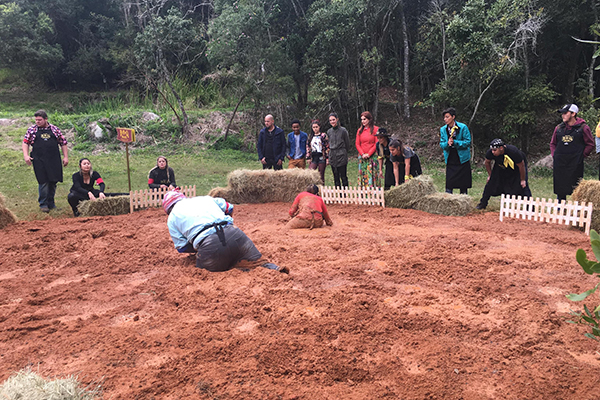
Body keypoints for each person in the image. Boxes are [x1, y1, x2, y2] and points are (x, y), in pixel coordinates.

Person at [163, 190, 289, 273]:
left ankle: (231, 264)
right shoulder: (204, 198)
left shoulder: (172, 218)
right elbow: (229, 207)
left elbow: (182, 248)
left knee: (204, 276)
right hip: (235, 234)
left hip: (209, 245)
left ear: (168, 209)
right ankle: (273, 269)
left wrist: (199, 248)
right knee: (258, 263)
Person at [22, 109, 69, 213]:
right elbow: (25, 142)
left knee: (53, 181)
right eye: (36, 120)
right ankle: (43, 204)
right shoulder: (32, 130)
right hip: (39, 159)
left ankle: (51, 203)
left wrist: (65, 157)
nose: (37, 122)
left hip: (53, 159)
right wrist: (26, 155)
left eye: (39, 120)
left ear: (46, 119)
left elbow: (63, 143)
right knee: (43, 181)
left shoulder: (55, 129)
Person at [550, 104, 594, 201]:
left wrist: (582, 156)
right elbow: (553, 144)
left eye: (565, 113)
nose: (563, 115)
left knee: (577, 187)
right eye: (562, 113)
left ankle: (578, 209)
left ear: (573, 114)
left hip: (575, 163)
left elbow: (590, 144)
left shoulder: (583, 128)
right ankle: (560, 208)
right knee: (560, 186)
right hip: (560, 163)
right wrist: (555, 156)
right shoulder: (559, 128)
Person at [476, 139, 532, 210]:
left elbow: (521, 166)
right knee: (490, 184)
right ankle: (483, 203)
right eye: (492, 150)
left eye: (495, 150)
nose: (492, 152)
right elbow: (487, 162)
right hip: (500, 165)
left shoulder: (514, 152)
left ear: (501, 148)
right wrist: (490, 175)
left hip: (517, 167)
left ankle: (530, 207)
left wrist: (523, 179)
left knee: (523, 185)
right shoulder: (490, 152)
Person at [439, 107, 472, 194]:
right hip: (450, 158)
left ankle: (463, 201)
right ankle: (448, 202)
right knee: (449, 184)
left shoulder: (463, 127)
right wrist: (447, 144)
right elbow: (441, 144)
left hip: (462, 159)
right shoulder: (443, 129)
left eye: (447, 117)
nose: (445, 119)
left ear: (453, 117)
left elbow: (467, 142)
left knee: (463, 185)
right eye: (444, 117)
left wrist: (455, 142)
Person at [356, 111, 380, 187]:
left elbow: (377, 143)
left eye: (364, 119)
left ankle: (373, 192)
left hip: (372, 156)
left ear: (369, 119)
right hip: (362, 156)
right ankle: (363, 192)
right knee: (363, 174)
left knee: (372, 174)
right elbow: (357, 143)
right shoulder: (360, 130)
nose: (363, 121)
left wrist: (369, 154)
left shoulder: (376, 129)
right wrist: (362, 154)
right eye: (361, 119)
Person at [327, 113, 350, 188]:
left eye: (333, 120)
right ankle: (339, 194)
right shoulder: (329, 131)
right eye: (330, 120)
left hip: (341, 154)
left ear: (337, 119)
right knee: (335, 176)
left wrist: (344, 152)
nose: (332, 122)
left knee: (343, 176)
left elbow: (347, 143)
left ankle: (345, 193)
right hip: (333, 155)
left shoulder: (343, 130)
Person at [307, 120, 329, 184]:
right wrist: (308, 157)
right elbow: (308, 146)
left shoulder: (323, 135)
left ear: (319, 127)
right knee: (310, 172)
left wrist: (327, 158)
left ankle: (321, 188)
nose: (315, 129)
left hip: (321, 156)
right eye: (314, 127)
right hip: (314, 157)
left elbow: (327, 146)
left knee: (321, 174)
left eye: (316, 127)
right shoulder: (310, 136)